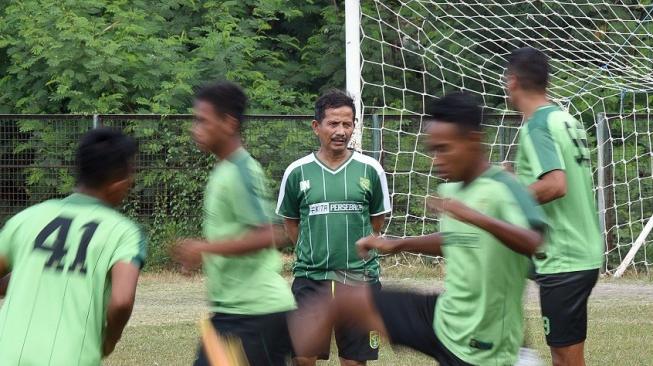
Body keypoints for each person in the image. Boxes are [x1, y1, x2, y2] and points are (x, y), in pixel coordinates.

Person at [289, 92, 547, 366]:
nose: (436, 159)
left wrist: (475, 217)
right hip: (444, 316)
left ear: (472, 141)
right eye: (433, 150)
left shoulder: (504, 186)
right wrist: (399, 243)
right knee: (343, 304)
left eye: (444, 149)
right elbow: (457, 240)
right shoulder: (451, 186)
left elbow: (534, 242)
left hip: (482, 342)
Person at [173, 81, 296, 366]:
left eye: (202, 120)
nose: (195, 128)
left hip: (256, 316)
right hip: (232, 313)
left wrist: (206, 248)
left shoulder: (242, 169)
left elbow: (272, 235)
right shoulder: (224, 168)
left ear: (228, 123)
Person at [0, 128, 146, 365]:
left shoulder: (28, 218)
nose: (132, 180)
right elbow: (121, 301)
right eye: (131, 173)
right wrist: (110, 339)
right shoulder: (123, 232)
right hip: (72, 357)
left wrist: (26, 277)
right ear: (116, 182)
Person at [276, 90, 391, 366]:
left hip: (359, 280)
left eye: (347, 124)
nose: (341, 131)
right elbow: (291, 221)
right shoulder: (297, 172)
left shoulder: (371, 169)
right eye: (333, 123)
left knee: (354, 361)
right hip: (311, 279)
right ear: (317, 127)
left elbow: (377, 221)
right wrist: (313, 251)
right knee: (302, 357)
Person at [506, 47, 604, 366]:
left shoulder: (537, 125)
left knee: (565, 357)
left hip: (564, 256)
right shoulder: (565, 119)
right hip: (576, 249)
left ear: (513, 82)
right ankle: (517, 350)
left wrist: (508, 195)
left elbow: (555, 184)